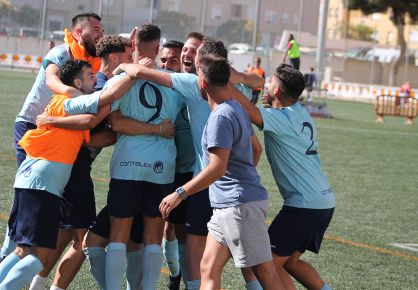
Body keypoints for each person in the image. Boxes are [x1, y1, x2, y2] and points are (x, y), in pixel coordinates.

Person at [118, 35, 265, 290]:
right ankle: (179, 279)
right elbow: (256, 145)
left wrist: (120, 66)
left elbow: (141, 71)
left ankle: (184, 282)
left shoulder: (191, 84)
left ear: (203, 66)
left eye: (193, 52)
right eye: (185, 49)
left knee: (197, 250)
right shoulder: (236, 96)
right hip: (237, 189)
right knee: (245, 262)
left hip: (206, 182)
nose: (188, 55)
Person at [0, 59, 134, 290]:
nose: (94, 80)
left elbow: (99, 132)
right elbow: (96, 111)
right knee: (40, 257)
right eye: (89, 76)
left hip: (30, 179)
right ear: (76, 83)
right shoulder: (69, 101)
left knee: (22, 250)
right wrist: (133, 75)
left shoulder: (64, 107)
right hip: (42, 183)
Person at [159, 53, 284, 290]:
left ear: (203, 83)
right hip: (226, 206)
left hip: (238, 206)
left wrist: (180, 193)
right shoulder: (235, 107)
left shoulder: (221, 117)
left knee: (265, 274)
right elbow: (254, 151)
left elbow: (217, 167)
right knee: (207, 267)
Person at [0, 12, 104, 265]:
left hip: (61, 128)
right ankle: (9, 248)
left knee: (51, 190)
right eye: (96, 29)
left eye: (102, 29)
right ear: (79, 32)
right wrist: (77, 95)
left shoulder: (93, 60)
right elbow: (51, 78)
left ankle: (35, 251)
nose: (100, 33)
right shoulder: (61, 51)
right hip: (32, 125)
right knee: (30, 187)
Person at [28, 35, 134, 290]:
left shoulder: (101, 81)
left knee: (65, 232)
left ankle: (38, 284)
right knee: (83, 238)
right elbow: (89, 125)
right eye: (130, 55)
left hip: (71, 163)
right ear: (115, 57)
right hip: (74, 164)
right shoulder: (99, 84)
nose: (133, 61)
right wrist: (113, 133)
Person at [229, 63, 336, 290]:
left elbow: (251, 112)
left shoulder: (280, 119)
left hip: (303, 204)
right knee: (290, 263)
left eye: (271, 83)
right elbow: (272, 115)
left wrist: (225, 85)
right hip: (324, 201)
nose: (267, 85)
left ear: (277, 91)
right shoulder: (299, 112)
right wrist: (274, 106)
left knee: (267, 264)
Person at [103, 23, 184, 290]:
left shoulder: (120, 79)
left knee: (119, 236)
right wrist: (159, 129)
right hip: (161, 168)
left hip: (127, 165)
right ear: (158, 48)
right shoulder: (173, 82)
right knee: (152, 237)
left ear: (133, 42)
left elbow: (116, 123)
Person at [159, 39, 193, 290]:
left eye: (172, 59)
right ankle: (174, 277)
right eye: (163, 59)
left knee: (181, 231)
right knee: (165, 229)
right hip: (164, 169)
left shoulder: (192, 87)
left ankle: (184, 280)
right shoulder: (160, 87)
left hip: (191, 173)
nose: (167, 64)